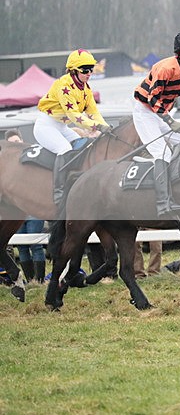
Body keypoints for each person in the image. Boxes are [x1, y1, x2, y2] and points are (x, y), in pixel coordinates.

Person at [133, 29, 180, 217]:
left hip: (163, 112)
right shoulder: (166, 68)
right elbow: (152, 100)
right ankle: (162, 203)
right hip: (145, 110)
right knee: (163, 153)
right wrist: (170, 121)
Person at [34, 49, 111, 204]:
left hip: (62, 127)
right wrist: (97, 127)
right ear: (74, 71)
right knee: (65, 149)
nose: (89, 73)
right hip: (46, 126)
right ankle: (59, 191)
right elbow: (74, 116)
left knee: (83, 147)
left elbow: (93, 113)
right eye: (85, 70)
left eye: (91, 69)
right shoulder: (64, 84)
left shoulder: (85, 88)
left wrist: (107, 127)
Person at [4, 131, 48, 282]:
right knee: (21, 247)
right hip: (16, 208)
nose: (16, 144)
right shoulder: (8, 167)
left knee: (35, 244)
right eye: (12, 142)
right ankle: (29, 279)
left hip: (32, 207)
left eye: (17, 141)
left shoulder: (31, 158)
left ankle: (40, 279)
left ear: (22, 140)